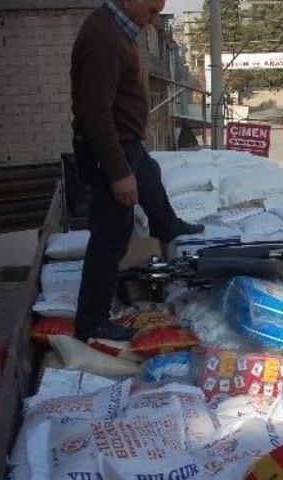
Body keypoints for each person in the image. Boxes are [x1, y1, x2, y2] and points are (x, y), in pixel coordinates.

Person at [71, 0, 203, 341]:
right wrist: (117, 172)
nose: (153, 19)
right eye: (151, 10)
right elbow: (95, 113)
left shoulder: (118, 30)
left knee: (150, 173)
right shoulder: (105, 37)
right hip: (109, 148)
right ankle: (92, 322)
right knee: (112, 235)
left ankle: (166, 224)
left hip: (127, 144)